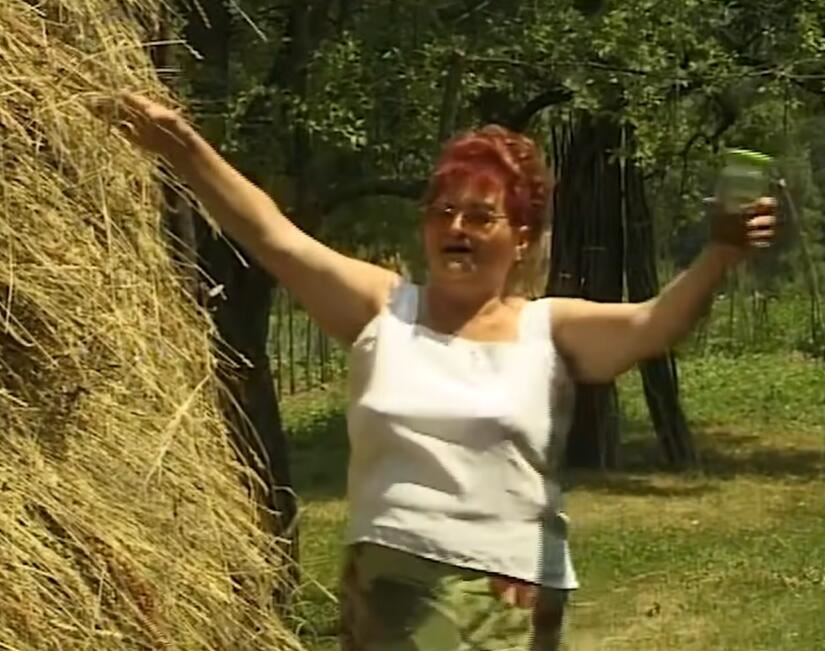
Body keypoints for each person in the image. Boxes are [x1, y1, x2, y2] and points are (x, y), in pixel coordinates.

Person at [101, 93, 777, 650]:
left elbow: (655, 324)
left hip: (500, 599)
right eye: (443, 211)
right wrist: (182, 146)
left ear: (519, 237)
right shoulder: (383, 308)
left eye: (480, 216)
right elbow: (272, 235)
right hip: (384, 593)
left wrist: (717, 254)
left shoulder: (548, 329)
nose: (456, 227)